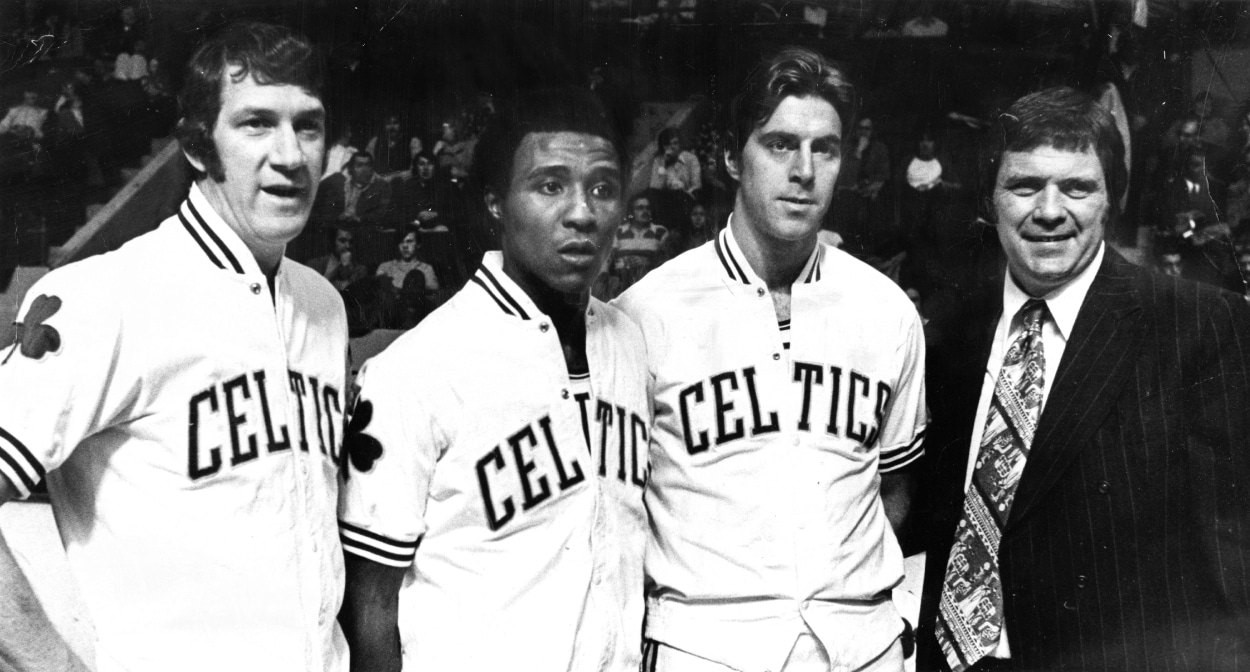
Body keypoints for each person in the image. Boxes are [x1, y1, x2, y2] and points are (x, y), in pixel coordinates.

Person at [0, 21, 349, 672]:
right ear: (195, 146)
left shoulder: (323, 304)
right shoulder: (105, 295)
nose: (291, 154)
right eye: (255, 124)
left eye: (307, 125)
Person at [917, 86, 1250, 672]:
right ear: (989, 199)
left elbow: (1232, 565)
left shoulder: (1200, 328)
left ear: (1111, 200)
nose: (1049, 211)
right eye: (1024, 186)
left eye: (1077, 187)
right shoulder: (953, 334)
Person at [615, 46, 926, 672]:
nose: (805, 170)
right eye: (780, 145)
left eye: (826, 149)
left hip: (859, 644)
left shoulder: (886, 309)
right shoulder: (645, 313)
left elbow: (893, 488)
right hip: (705, 645)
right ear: (733, 156)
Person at [338, 87, 650, 672]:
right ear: (496, 203)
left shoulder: (630, 343)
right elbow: (371, 608)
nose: (581, 211)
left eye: (603, 188)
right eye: (550, 185)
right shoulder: (420, 365)